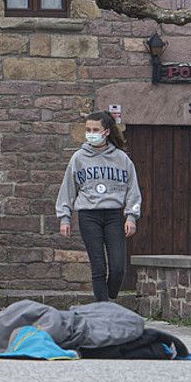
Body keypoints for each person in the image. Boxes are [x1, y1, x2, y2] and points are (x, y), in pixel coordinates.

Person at [56, 110, 142, 302]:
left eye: (96, 129)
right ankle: (104, 308)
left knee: (118, 267)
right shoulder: (79, 158)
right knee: (98, 266)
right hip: (89, 215)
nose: (91, 133)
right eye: (88, 129)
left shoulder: (122, 159)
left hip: (113, 214)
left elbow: (132, 188)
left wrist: (131, 216)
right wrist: (65, 217)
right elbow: (68, 188)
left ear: (107, 132)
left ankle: (110, 296)